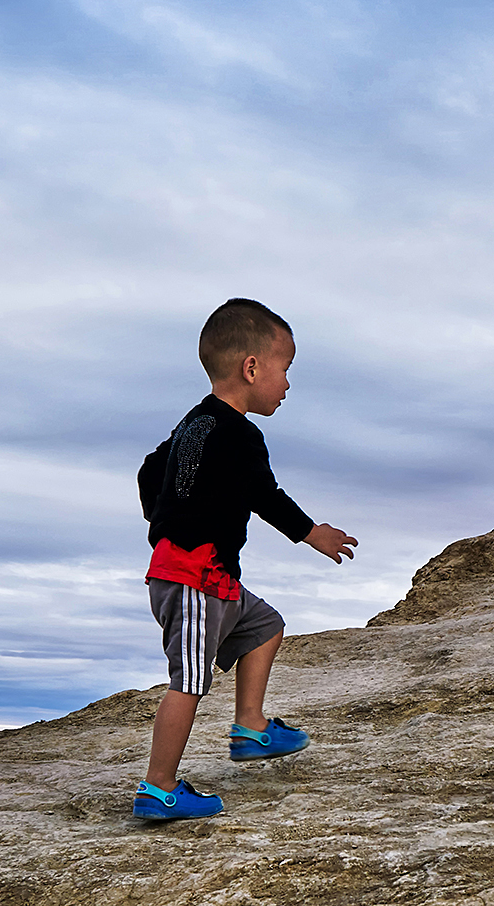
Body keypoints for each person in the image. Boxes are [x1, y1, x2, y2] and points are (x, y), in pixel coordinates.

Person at [131, 298, 358, 821]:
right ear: (251, 368)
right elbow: (265, 493)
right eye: (285, 369)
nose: (287, 384)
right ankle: (158, 787)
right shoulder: (238, 433)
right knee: (188, 680)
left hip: (212, 576)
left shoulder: (194, 426)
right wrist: (311, 533)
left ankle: (251, 729)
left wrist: (163, 518)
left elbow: (149, 472)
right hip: (192, 575)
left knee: (265, 626)